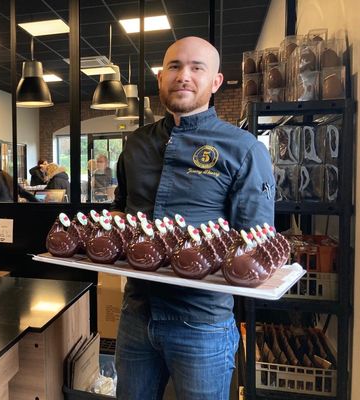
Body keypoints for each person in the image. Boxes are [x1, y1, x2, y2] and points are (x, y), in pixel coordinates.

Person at [111, 36, 275, 400]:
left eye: (197, 68)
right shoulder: (136, 144)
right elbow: (123, 213)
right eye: (174, 66)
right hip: (137, 311)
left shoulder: (243, 149)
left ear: (215, 82)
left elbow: (258, 242)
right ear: (160, 77)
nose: (183, 76)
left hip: (202, 323)